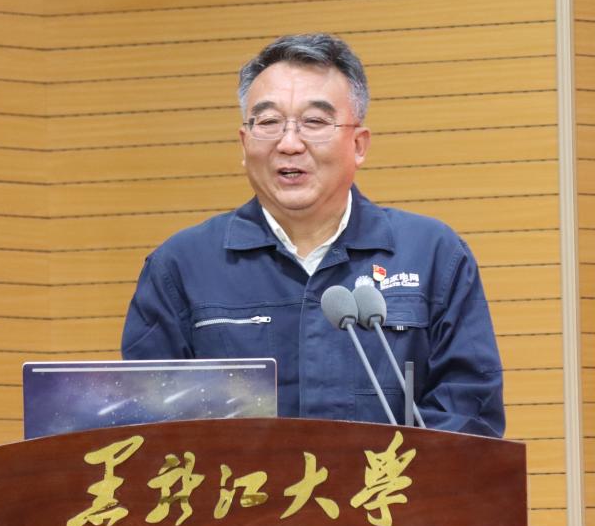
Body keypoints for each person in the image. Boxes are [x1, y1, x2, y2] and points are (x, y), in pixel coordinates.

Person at [121, 33, 504, 437]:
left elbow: (470, 414)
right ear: (244, 143)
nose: (289, 144)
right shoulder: (182, 266)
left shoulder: (431, 255)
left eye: (315, 122)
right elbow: (146, 426)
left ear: (358, 145)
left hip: (388, 480)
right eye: (268, 122)